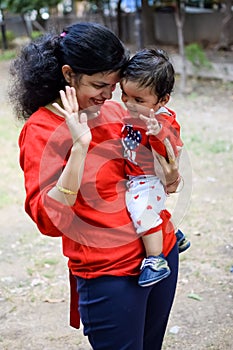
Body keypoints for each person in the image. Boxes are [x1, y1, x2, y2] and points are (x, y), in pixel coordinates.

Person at [9, 22, 182, 350]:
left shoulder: (117, 109)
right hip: (109, 276)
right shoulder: (41, 130)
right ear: (68, 74)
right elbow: (49, 220)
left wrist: (171, 174)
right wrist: (80, 147)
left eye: (114, 85)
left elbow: (161, 179)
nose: (109, 95)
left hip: (160, 255)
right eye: (99, 84)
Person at [120, 48, 190, 287]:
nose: (128, 103)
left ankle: (155, 259)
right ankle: (172, 234)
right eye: (124, 95)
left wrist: (158, 134)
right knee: (141, 207)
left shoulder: (161, 121)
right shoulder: (137, 112)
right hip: (135, 175)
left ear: (163, 100)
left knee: (140, 209)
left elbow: (170, 149)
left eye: (138, 100)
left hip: (149, 178)